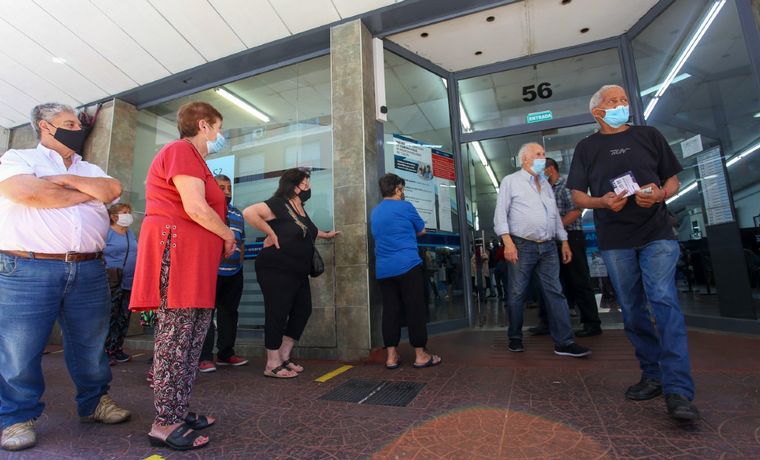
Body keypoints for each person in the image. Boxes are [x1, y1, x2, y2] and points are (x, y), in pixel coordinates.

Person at [0, 103, 130, 452]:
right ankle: (16, 417)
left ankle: (94, 402)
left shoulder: (90, 167)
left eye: (78, 124)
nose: (78, 129)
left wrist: (66, 180)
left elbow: (111, 190)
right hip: (27, 268)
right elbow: (29, 193)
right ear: (45, 126)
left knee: (91, 344)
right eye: (69, 123)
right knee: (19, 348)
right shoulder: (20, 158)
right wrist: (87, 194)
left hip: (88, 268)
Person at [566, 84, 699, 421]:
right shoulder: (586, 147)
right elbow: (578, 196)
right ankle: (652, 374)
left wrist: (660, 194)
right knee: (632, 308)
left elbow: (672, 181)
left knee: (663, 299)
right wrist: (602, 201)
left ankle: (678, 389)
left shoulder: (649, 135)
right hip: (615, 239)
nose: (621, 104)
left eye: (624, 99)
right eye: (613, 101)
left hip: (657, 232)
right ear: (598, 112)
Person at [129, 101, 236, 451]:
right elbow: (195, 207)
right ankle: (164, 422)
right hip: (177, 256)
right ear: (204, 125)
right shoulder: (180, 150)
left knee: (191, 342)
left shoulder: (197, 160)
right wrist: (227, 234)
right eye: (218, 127)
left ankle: (178, 408)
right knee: (176, 340)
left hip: (195, 262)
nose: (220, 134)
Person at [493, 142, 591, 358]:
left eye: (544, 154)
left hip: (548, 246)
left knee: (555, 292)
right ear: (524, 159)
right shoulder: (511, 181)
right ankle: (515, 337)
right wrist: (508, 243)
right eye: (538, 154)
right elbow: (500, 215)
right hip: (521, 245)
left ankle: (564, 342)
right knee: (517, 293)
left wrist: (564, 241)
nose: (543, 158)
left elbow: (554, 215)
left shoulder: (546, 184)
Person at [243, 168, 339, 378]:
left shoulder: (300, 208)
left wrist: (326, 234)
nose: (308, 187)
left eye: (308, 184)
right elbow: (249, 213)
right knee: (277, 312)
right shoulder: (278, 204)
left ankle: (284, 356)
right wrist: (270, 232)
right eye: (304, 184)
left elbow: (309, 229)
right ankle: (272, 363)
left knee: (303, 310)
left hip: (298, 270)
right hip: (276, 267)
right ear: (293, 186)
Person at [370, 173, 442, 369]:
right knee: (414, 309)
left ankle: (391, 357)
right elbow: (421, 230)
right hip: (407, 265)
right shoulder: (406, 206)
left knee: (390, 311)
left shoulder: (375, 212)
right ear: (397, 189)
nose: (403, 192)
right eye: (402, 188)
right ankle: (420, 355)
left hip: (384, 269)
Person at [543, 157, 602, 337]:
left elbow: (576, 211)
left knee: (579, 280)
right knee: (552, 282)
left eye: (540, 169)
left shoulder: (567, 184)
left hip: (572, 236)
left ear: (550, 169)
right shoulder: (545, 188)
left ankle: (592, 323)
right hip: (553, 240)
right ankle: (548, 322)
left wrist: (557, 227)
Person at [198, 174, 248, 373]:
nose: (227, 192)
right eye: (221, 188)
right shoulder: (206, 211)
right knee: (206, 315)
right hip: (211, 272)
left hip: (234, 273)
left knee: (229, 313)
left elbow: (241, 242)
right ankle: (204, 357)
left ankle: (226, 353)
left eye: (229, 188)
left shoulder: (238, 214)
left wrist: (240, 264)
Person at [104, 203, 139, 365]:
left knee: (124, 316)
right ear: (114, 217)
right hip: (112, 280)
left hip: (128, 281)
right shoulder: (107, 233)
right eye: (125, 212)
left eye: (129, 212)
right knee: (110, 315)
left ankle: (117, 348)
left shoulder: (129, 233)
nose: (128, 215)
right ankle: (105, 351)